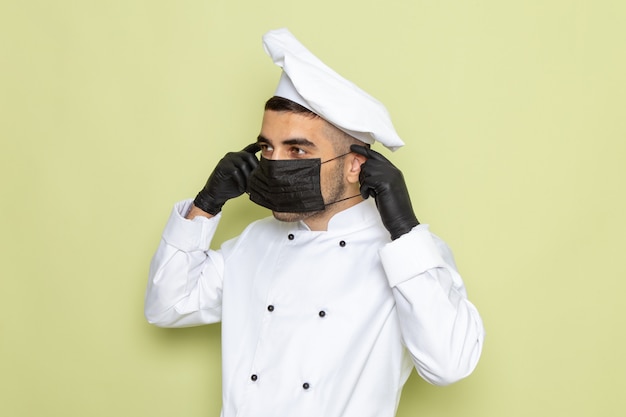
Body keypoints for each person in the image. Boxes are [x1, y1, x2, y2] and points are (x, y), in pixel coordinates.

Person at [145, 28, 484, 417]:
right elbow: (166, 305)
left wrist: (404, 228)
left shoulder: (407, 257)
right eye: (267, 148)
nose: (275, 164)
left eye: (297, 150)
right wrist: (206, 204)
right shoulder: (254, 242)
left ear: (356, 164)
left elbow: (451, 364)